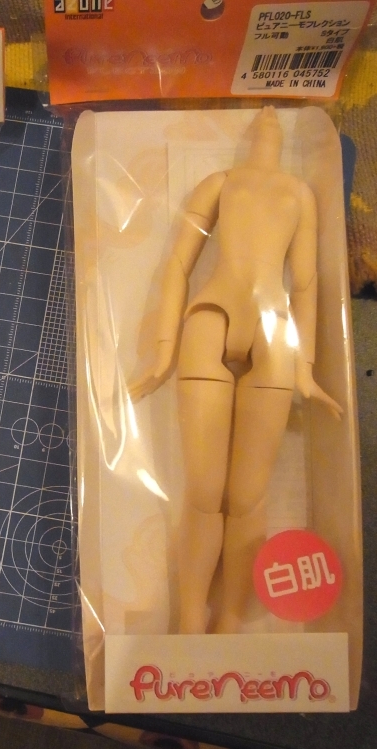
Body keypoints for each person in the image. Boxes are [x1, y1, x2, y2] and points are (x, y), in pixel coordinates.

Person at [129, 107, 342, 634]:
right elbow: (179, 263)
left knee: (247, 498)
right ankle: (189, 620)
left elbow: (306, 283)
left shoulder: (300, 194)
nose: (267, 118)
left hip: (272, 330)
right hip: (212, 316)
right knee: (205, 495)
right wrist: (162, 353)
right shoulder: (219, 182)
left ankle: (229, 620)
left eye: (273, 116)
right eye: (261, 116)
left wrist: (307, 369)